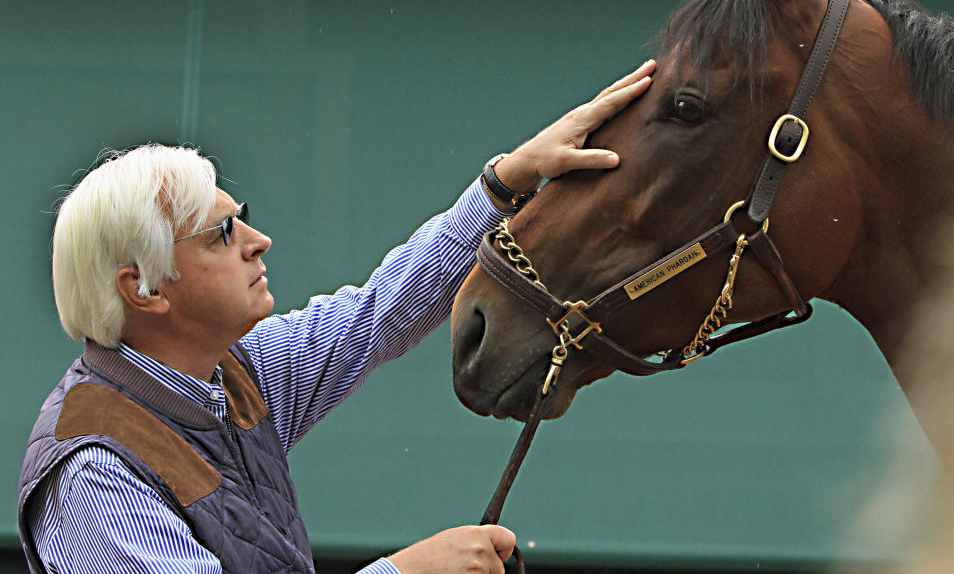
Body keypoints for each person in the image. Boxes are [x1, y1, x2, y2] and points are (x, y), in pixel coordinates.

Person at [17, 60, 656, 574]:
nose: (257, 239)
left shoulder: (228, 377)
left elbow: (377, 315)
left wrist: (507, 181)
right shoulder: (91, 471)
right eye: (221, 233)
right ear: (145, 288)